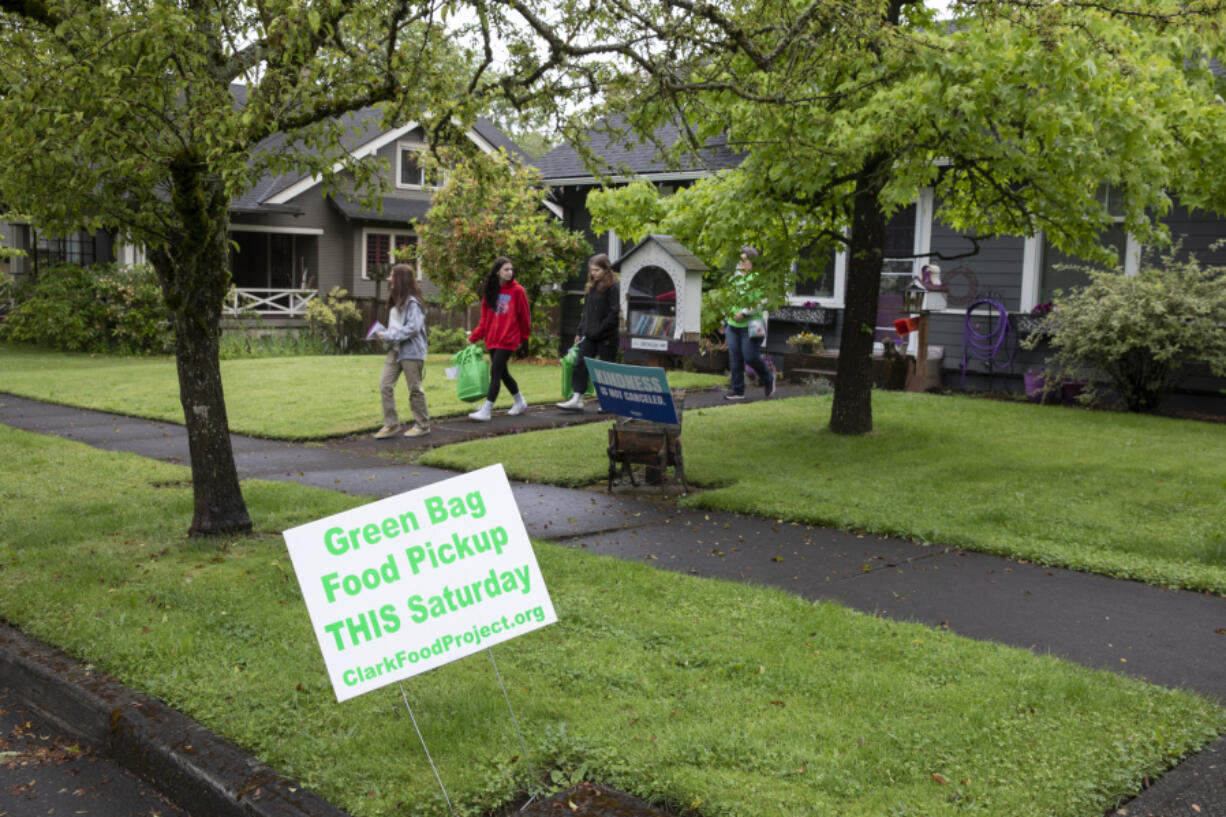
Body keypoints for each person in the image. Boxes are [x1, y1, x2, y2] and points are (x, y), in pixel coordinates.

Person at [466, 256, 531, 422]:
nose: (510, 272)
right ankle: (519, 401)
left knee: (495, 372)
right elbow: (485, 320)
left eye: (511, 269)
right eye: (506, 269)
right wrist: (474, 337)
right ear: (497, 272)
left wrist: (524, 338)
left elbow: (524, 316)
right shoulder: (490, 292)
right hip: (493, 339)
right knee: (503, 373)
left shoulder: (518, 291)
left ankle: (487, 409)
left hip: (508, 339)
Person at [373, 264, 430, 438]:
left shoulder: (414, 303)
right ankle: (392, 424)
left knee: (414, 389)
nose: (389, 278)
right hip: (395, 350)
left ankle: (423, 425)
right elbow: (397, 326)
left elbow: (413, 328)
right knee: (385, 385)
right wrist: (384, 334)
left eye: (392, 275)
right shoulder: (396, 301)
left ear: (400, 279)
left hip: (411, 351)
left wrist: (389, 335)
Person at [557, 253, 620, 411]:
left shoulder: (614, 287)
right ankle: (577, 398)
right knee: (581, 364)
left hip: (607, 336)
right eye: (592, 270)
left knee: (605, 368)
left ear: (606, 269)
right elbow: (586, 311)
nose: (593, 273)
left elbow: (614, 313)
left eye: (597, 270)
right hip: (588, 334)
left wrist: (599, 330)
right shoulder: (591, 286)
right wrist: (580, 330)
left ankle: (608, 401)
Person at [723, 246, 776, 400]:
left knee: (750, 356)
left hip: (751, 326)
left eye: (744, 260)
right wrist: (724, 319)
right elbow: (726, 300)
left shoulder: (759, 279)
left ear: (752, 262)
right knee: (735, 358)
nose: (740, 262)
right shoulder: (735, 278)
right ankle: (738, 390)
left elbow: (760, 302)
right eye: (739, 259)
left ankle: (768, 378)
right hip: (733, 325)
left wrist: (744, 312)